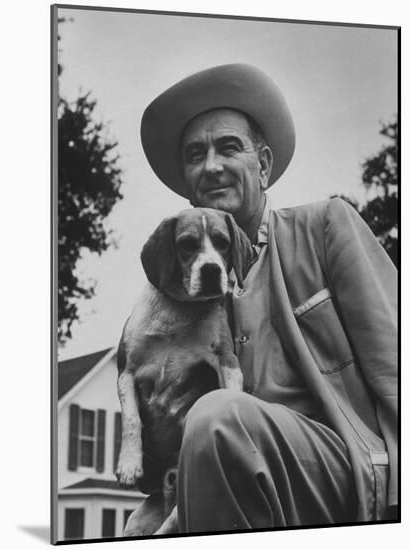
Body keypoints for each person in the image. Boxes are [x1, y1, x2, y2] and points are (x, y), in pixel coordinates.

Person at [138, 64, 397, 532]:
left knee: (219, 416)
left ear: (263, 164)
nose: (212, 165)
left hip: (342, 472)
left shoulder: (324, 227)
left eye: (228, 147)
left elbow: (398, 368)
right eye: (196, 154)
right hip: (228, 485)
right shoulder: (180, 299)